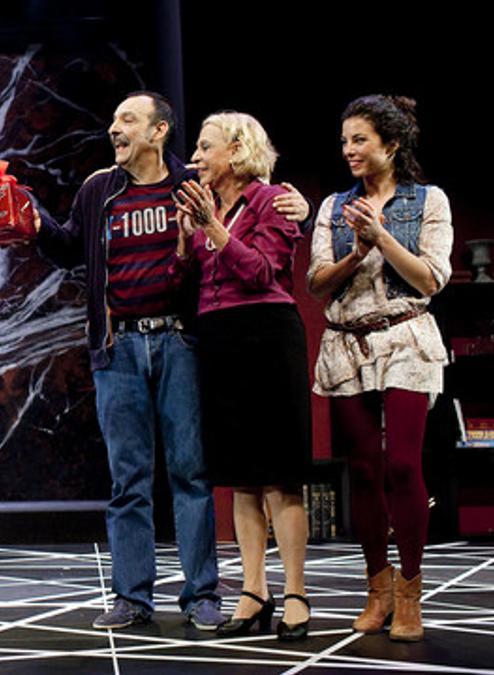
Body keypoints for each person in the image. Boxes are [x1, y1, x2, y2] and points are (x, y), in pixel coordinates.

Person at [36, 91, 304, 631]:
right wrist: (29, 218)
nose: (114, 128)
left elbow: (259, 213)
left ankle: (201, 594)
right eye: (113, 120)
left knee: (191, 472)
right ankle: (132, 597)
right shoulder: (98, 190)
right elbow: (68, 249)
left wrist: (303, 205)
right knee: (128, 479)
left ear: (158, 132)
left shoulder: (194, 185)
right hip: (118, 347)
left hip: (182, 342)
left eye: (127, 120)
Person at [307, 95, 451, 643]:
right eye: (344, 141)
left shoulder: (428, 201)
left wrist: (382, 236)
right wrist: (354, 251)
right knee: (363, 470)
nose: (349, 150)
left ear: (391, 144)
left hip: (406, 336)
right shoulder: (332, 207)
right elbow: (317, 284)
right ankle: (377, 587)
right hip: (348, 343)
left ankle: (411, 590)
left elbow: (430, 279)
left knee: (402, 468)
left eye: (360, 139)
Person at [174, 111, 313, 641]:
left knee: (279, 472)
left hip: (266, 336)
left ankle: (296, 592)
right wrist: (188, 238)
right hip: (219, 338)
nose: (196, 158)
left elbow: (260, 270)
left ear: (236, 150)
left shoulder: (270, 201)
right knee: (240, 476)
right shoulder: (209, 206)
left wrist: (211, 226)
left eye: (205, 148)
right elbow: (188, 279)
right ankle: (254, 589)